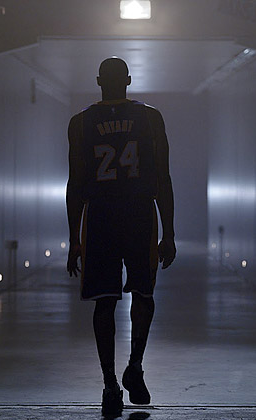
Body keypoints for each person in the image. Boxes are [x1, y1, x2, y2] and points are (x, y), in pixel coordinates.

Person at [66, 57, 176, 416]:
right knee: (144, 294)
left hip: (100, 218)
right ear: (128, 80)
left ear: (98, 81)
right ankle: (135, 366)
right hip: (139, 215)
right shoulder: (150, 117)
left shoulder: (81, 122)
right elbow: (163, 178)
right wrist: (169, 231)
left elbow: (75, 183)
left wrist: (74, 238)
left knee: (104, 302)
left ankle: (110, 384)